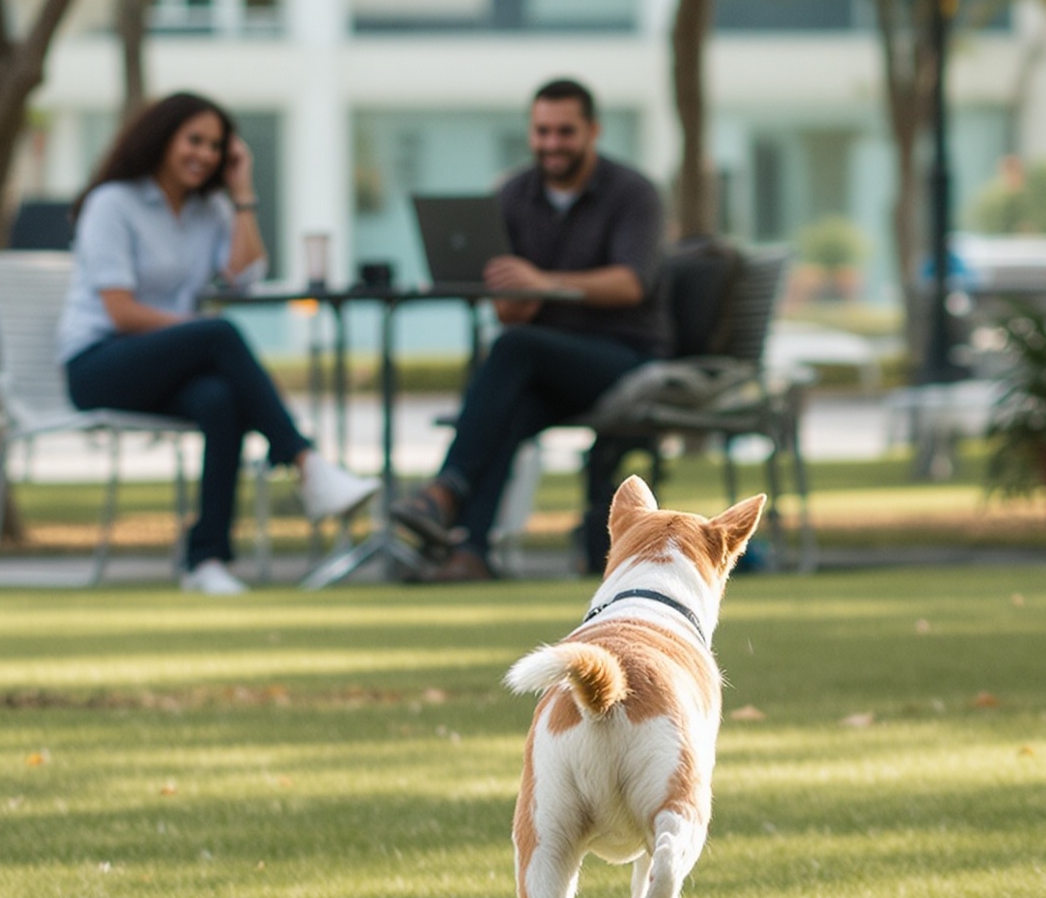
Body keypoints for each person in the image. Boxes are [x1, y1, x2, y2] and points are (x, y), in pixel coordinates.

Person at [58, 91, 373, 594]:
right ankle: (304, 462)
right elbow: (120, 311)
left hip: (169, 365)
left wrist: (242, 191)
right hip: (98, 365)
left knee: (219, 399)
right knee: (217, 333)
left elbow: (243, 279)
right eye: (194, 140)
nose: (204, 154)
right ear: (163, 139)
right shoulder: (111, 203)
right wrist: (192, 331)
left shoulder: (210, 210)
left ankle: (205, 561)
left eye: (215, 146)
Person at [391, 79, 667, 579]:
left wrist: (544, 283)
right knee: (510, 406)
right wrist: (512, 299)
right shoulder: (513, 195)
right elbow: (511, 311)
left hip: (624, 357)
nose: (552, 144)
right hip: (542, 362)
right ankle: (470, 553)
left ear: (593, 132)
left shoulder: (634, 193)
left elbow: (631, 283)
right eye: (542, 132)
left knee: (514, 348)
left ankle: (446, 491)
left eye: (565, 132)